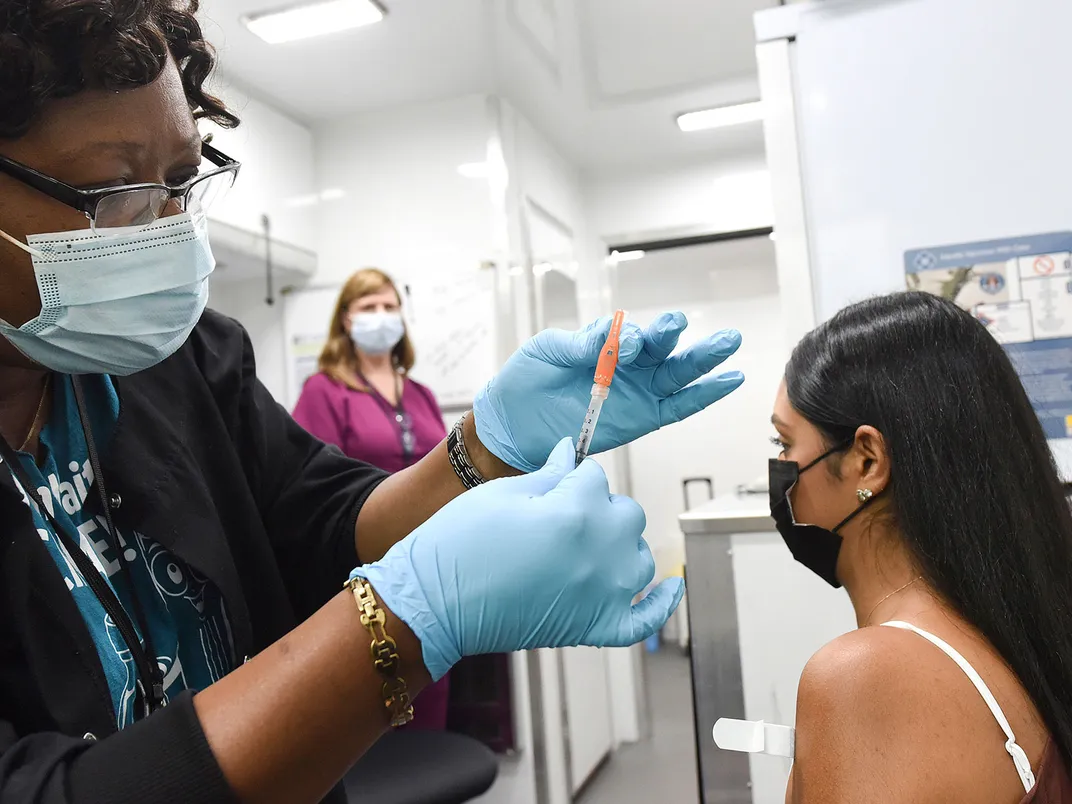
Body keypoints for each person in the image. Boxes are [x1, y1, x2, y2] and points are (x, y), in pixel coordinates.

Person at [0, 2, 746, 802]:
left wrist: (488, 448)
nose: (165, 229)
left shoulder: (181, 361)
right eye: (112, 190)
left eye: (183, 179)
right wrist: (406, 618)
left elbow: (323, 521)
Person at [768, 292, 1072, 803]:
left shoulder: (868, 676)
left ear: (866, 461)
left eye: (784, 445)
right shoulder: (1016, 623)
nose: (779, 473)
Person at [294, 268, 452, 730]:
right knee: (375, 718)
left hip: (432, 575)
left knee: (431, 710)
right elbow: (313, 492)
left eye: (389, 306)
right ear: (345, 320)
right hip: (367, 581)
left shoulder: (421, 394)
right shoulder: (325, 392)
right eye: (368, 307)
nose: (381, 316)